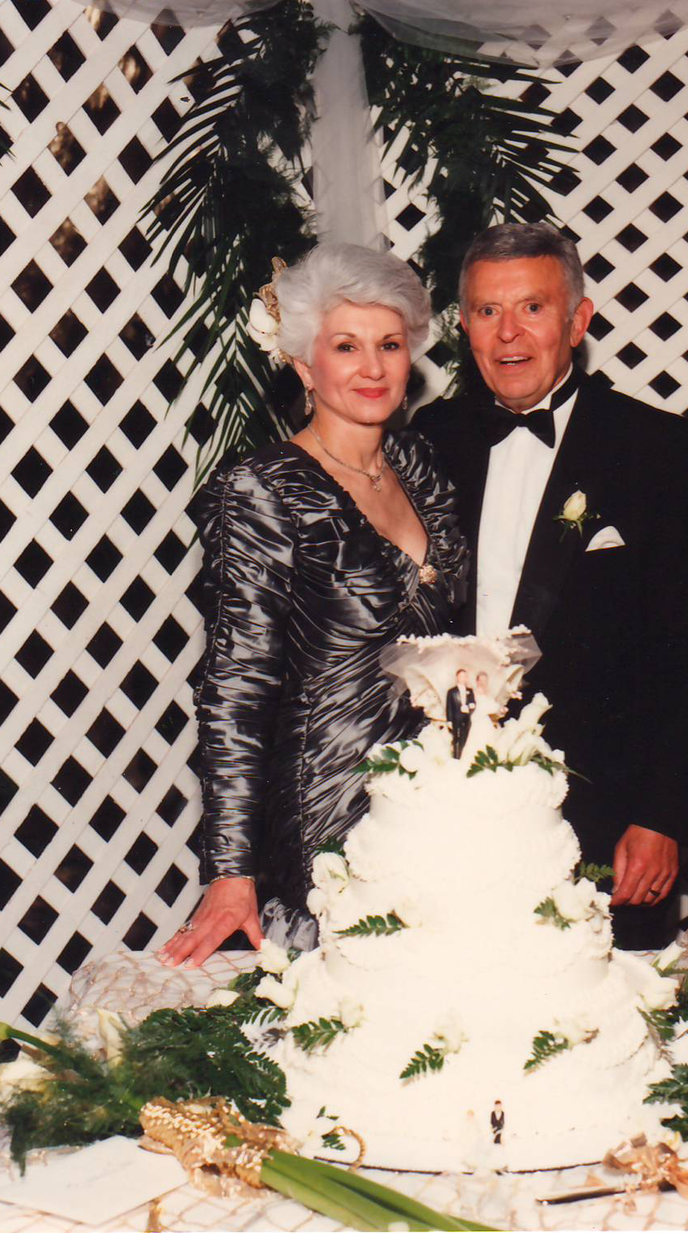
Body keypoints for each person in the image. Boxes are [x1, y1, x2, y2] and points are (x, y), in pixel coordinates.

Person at [412, 224, 688, 949]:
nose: (509, 334)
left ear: (578, 320)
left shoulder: (660, 451)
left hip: (606, 825)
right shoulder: (425, 442)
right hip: (446, 815)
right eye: (488, 312)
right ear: (464, 327)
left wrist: (661, 818)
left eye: (532, 307)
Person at [159, 244, 467, 968]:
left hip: (439, 800)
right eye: (347, 346)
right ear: (305, 366)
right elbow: (236, 688)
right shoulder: (262, 491)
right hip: (328, 810)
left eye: (389, 345)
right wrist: (231, 870)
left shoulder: (419, 464)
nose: (373, 367)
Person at [446, 668, 475, 758]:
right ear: (457, 677)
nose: (463, 678)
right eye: (461, 676)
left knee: (465, 737)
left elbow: (473, 703)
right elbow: (449, 707)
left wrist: (470, 707)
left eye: (465, 676)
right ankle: (456, 756)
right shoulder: (451, 691)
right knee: (456, 738)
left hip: (466, 718)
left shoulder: (470, 691)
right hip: (456, 718)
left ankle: (463, 756)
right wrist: (449, 720)